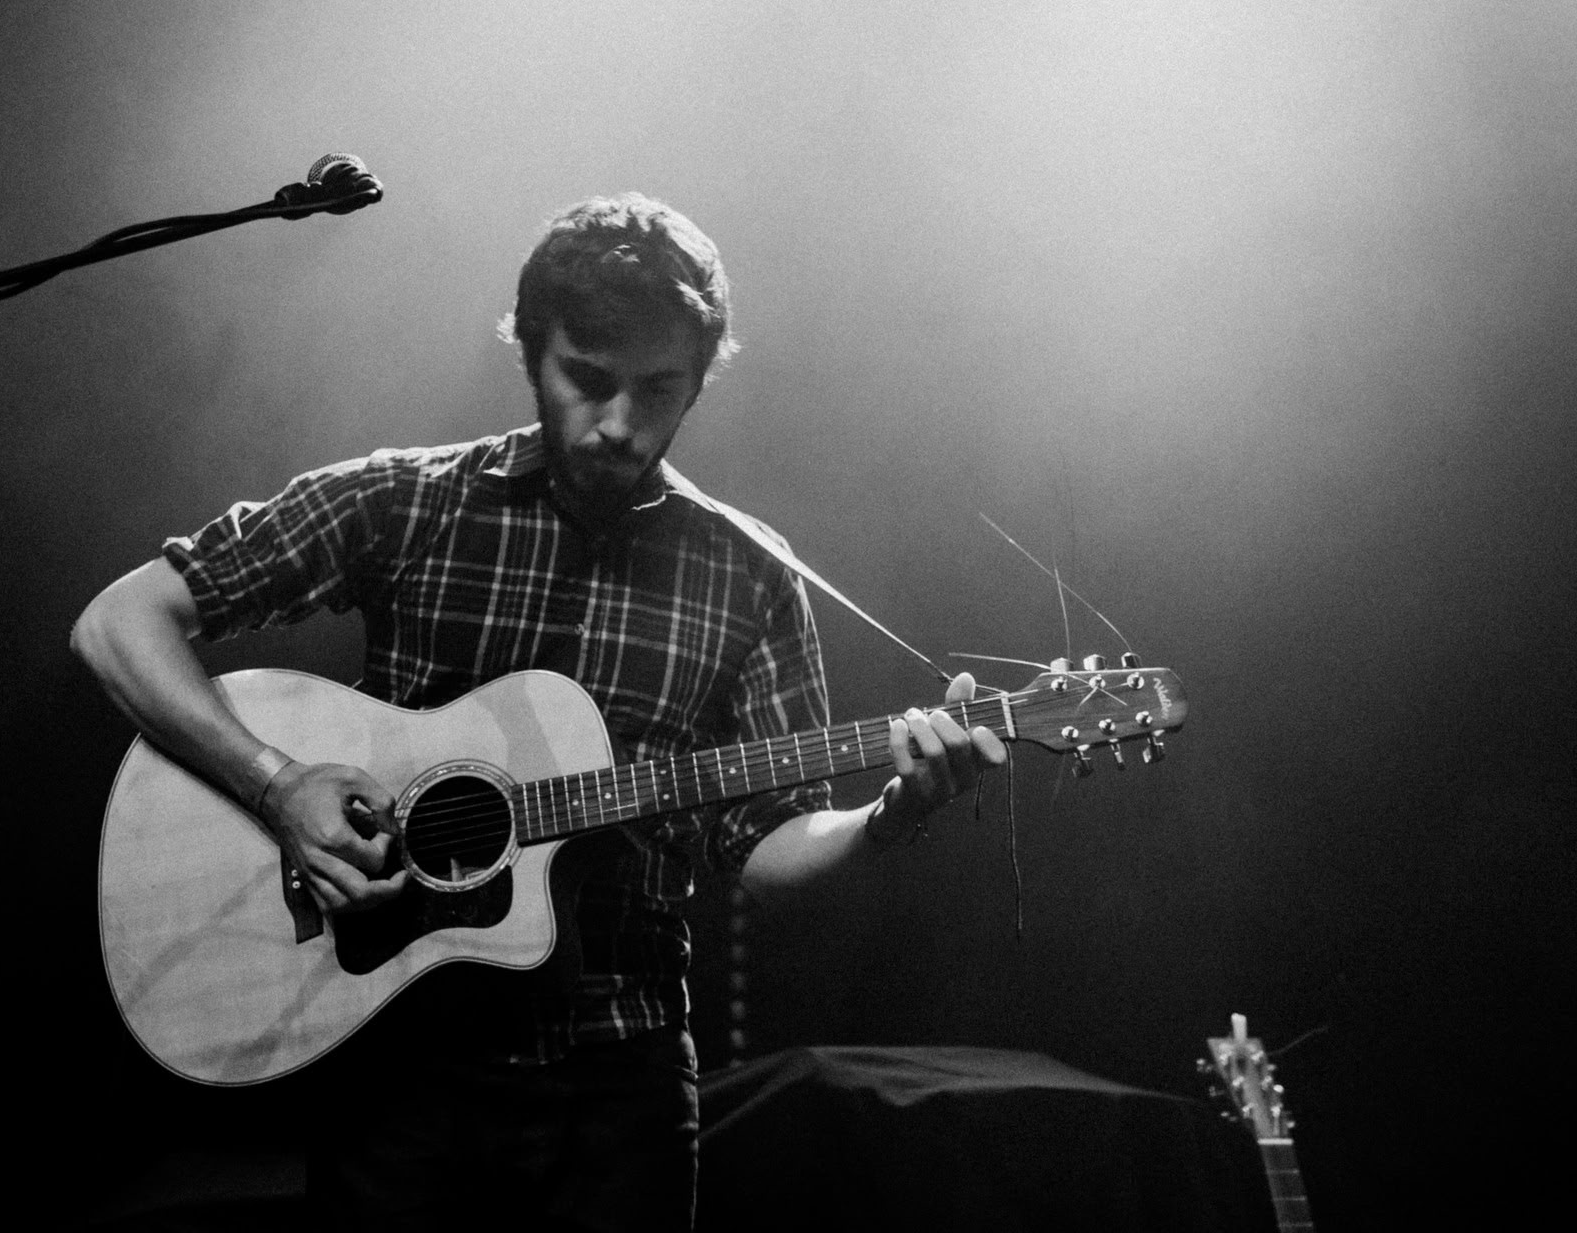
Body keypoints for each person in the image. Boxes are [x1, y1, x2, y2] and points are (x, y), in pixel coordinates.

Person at [71, 192, 1003, 1231]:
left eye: (660, 390)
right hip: (403, 1072)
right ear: (530, 352)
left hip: (624, 1084)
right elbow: (120, 623)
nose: (620, 423)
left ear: (699, 380)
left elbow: (766, 846)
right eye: (588, 381)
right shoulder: (408, 501)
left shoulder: (751, 574)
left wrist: (890, 816)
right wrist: (280, 785)